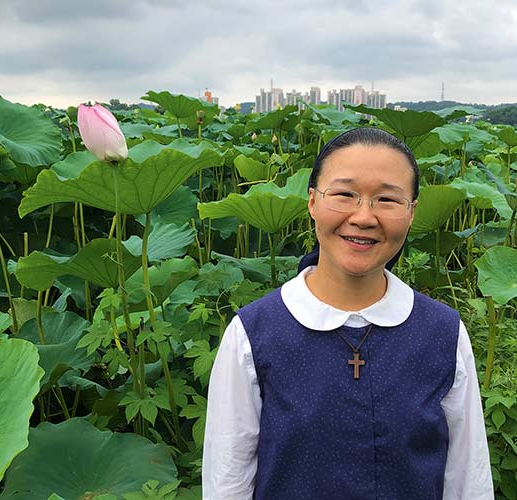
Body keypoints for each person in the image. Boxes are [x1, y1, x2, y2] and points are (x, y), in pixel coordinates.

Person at [202, 128, 494, 500]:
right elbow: (226, 484)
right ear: (311, 201)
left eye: (387, 199)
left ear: (411, 212)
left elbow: (469, 482)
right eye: (343, 194)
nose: (363, 217)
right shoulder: (254, 335)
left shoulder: (443, 334)